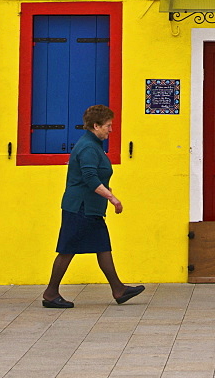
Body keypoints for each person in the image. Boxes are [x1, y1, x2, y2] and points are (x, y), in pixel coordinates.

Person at [42, 104, 145, 308]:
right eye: (108, 126)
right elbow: (90, 178)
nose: (111, 130)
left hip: (90, 208)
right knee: (67, 249)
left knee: (102, 246)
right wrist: (112, 198)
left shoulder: (93, 143)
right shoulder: (88, 146)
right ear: (96, 126)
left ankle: (119, 289)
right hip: (81, 207)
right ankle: (51, 293)